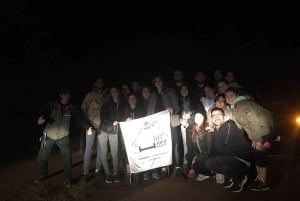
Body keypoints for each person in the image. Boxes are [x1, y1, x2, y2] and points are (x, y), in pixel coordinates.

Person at [34, 87, 93, 187]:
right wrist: (38, 119)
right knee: (41, 158)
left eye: (68, 94)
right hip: (47, 135)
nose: (67, 96)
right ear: (60, 95)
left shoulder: (72, 108)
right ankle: (43, 175)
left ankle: (67, 179)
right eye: (65, 94)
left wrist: (88, 127)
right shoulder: (53, 105)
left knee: (67, 158)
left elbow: (79, 118)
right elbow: (41, 111)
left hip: (63, 136)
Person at [225, 87, 277, 191]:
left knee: (259, 153)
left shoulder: (243, 104)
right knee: (256, 153)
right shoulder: (235, 108)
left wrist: (257, 139)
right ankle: (259, 179)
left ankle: (263, 183)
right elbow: (246, 126)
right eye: (226, 96)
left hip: (265, 131)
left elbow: (254, 121)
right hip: (260, 132)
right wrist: (253, 139)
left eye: (231, 95)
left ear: (237, 96)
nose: (228, 97)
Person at [81, 77, 107, 182]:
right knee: (89, 149)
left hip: (102, 126)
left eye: (102, 82)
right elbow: (83, 109)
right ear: (95, 83)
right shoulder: (89, 95)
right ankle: (85, 173)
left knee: (101, 149)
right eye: (98, 82)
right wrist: (86, 125)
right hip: (91, 125)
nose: (100, 83)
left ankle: (98, 170)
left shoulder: (105, 95)